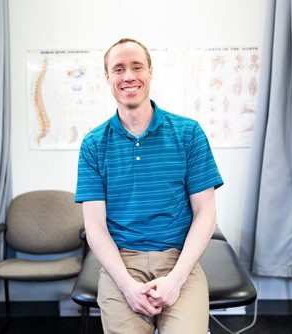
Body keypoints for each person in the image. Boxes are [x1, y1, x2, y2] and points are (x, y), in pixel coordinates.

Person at [75, 38, 223, 334]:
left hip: (178, 259)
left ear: (150, 72)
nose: (128, 76)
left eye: (136, 67)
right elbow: (95, 228)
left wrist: (176, 279)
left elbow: (205, 213)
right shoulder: (93, 144)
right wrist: (128, 287)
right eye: (118, 69)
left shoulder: (188, 133)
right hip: (122, 263)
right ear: (108, 79)